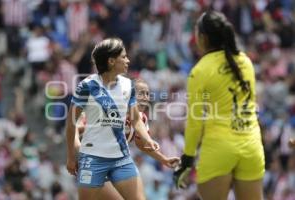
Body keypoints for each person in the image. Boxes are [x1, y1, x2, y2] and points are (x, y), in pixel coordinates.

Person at [173, 11, 265, 200]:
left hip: (219, 149)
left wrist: (187, 160)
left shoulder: (200, 70)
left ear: (203, 38)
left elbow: (195, 121)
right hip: (251, 146)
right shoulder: (246, 62)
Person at [66, 38, 159, 200]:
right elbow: (71, 124)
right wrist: (72, 155)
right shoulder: (87, 86)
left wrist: (147, 139)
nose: (128, 60)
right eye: (123, 57)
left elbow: (136, 120)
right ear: (111, 61)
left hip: (120, 160)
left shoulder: (128, 85)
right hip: (93, 159)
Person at [74, 78, 180, 199]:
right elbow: (76, 128)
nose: (146, 97)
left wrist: (164, 159)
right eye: (141, 93)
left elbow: (141, 144)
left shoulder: (141, 118)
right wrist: (77, 150)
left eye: (147, 94)